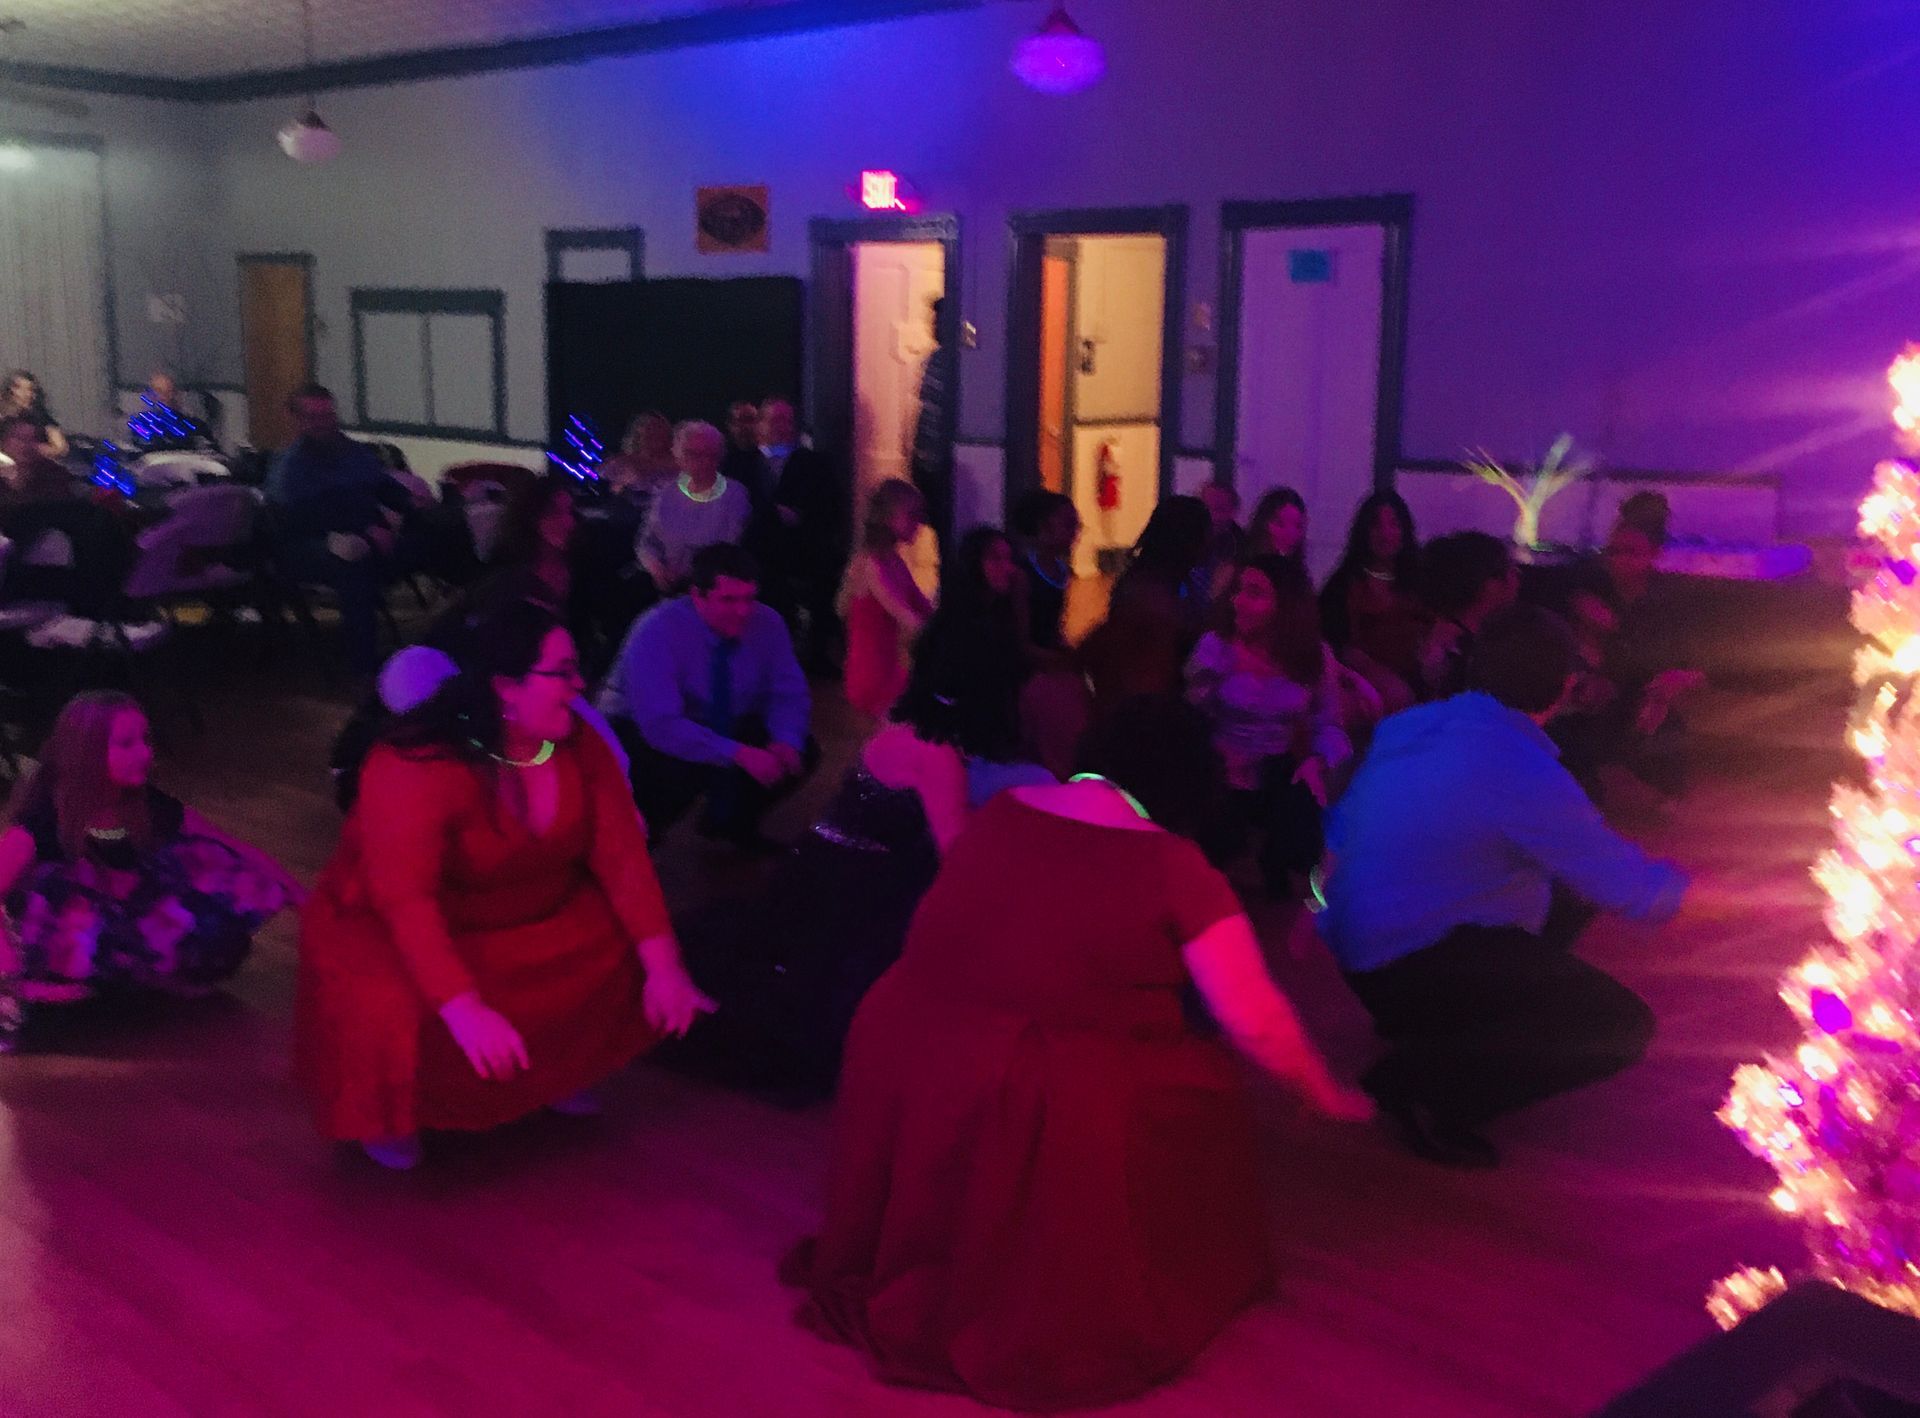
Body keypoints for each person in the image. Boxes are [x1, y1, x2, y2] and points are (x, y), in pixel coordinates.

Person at [781, 695, 1372, 1411]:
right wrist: (1319, 1088)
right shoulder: (1174, 865)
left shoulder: (1004, 811)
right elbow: (1255, 1020)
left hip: (904, 1045)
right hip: (1028, 1082)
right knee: (1194, 1082)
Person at [295, 599, 713, 1171]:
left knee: (620, 938)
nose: (578, 683)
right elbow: (406, 902)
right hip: (400, 923)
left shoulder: (574, 742)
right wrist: (463, 1008)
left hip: (528, 910)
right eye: (561, 671)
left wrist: (666, 968)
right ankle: (393, 1112)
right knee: (387, 1000)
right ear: (505, 688)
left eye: (576, 668)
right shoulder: (414, 763)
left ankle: (551, 1075)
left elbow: (623, 859)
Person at [1321, 605, 1687, 1169]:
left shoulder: (1415, 725)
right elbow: (1626, 887)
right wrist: (1705, 894)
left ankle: (1430, 1029)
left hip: (1356, 943)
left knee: (1560, 890)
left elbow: (1346, 829)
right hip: (1407, 957)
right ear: (1566, 686)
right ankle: (1419, 1087)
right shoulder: (1522, 770)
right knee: (1620, 1026)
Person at [667, 615, 995, 1104]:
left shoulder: (904, 717)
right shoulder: (936, 750)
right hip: (854, 887)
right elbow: (955, 855)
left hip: (826, 864)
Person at [0, 692, 300, 1043]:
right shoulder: (45, 820)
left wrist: (303, 899)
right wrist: (9, 972)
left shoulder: (148, 805)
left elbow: (233, 851)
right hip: (49, 949)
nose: (144, 753)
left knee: (214, 883)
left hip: (116, 923)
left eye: (145, 740)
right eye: (126, 744)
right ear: (88, 753)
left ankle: (139, 979)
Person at [598, 543, 813, 849]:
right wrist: (738, 753)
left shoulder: (768, 623)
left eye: (749, 598)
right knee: (676, 770)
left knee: (801, 749)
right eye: (728, 600)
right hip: (639, 726)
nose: (743, 611)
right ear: (697, 596)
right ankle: (637, 840)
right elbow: (660, 724)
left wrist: (786, 739)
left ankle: (730, 825)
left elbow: (788, 690)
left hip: (716, 718)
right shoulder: (658, 629)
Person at [1188, 556, 1349, 901]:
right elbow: (1187, 723)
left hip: (1278, 767)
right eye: (1238, 591)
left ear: (1285, 606)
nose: (1238, 601)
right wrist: (1216, 753)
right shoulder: (1216, 647)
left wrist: (1317, 761)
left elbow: (1331, 724)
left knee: (1301, 799)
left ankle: (1301, 907)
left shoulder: (1314, 655)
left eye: (1254, 593)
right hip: (1221, 767)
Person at [1550, 510, 1704, 801]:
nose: (1619, 560)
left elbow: (1686, 658)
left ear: (1653, 554)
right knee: (1566, 729)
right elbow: (1578, 650)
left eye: (1631, 552)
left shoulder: (1669, 599)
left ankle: (1661, 794)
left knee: (1661, 728)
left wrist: (1669, 684)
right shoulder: (1590, 592)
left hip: (1646, 691)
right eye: (1614, 551)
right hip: (1598, 694)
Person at [264, 384, 416, 676]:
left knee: (432, 539)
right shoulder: (291, 465)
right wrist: (369, 534)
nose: (324, 423)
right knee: (354, 562)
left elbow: (381, 485)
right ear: (296, 420)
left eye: (328, 415)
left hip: (366, 536)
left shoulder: (351, 451)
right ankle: (364, 664)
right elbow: (298, 516)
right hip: (309, 544)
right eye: (314, 417)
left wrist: (412, 503)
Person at [1079, 495, 1213, 705]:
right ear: (1188, 538)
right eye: (1205, 534)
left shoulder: (1172, 580)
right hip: (1149, 706)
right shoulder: (1147, 592)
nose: (1209, 542)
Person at [753, 399, 845, 671]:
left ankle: (815, 656)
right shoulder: (741, 461)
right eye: (774, 420)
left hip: (803, 548)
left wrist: (801, 517)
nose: (782, 427)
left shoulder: (816, 463)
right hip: (755, 549)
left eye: (787, 420)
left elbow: (831, 507)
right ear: (760, 425)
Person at [1319, 490, 1428, 713]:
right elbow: (1336, 645)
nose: (1386, 533)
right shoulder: (1343, 583)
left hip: (1422, 674)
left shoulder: (1421, 578)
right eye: (1376, 525)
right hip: (1365, 682)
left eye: (1393, 524)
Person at [839, 479, 934, 719]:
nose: (919, 523)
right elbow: (907, 617)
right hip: (873, 676)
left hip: (889, 670)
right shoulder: (871, 564)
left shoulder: (894, 560)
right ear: (887, 517)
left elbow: (923, 608)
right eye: (912, 515)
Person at [636, 420, 752, 595]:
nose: (703, 462)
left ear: (719, 456)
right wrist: (656, 569)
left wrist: (685, 574)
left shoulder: (734, 494)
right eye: (693, 454)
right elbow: (647, 542)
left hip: (712, 589)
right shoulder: (666, 492)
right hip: (663, 584)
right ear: (679, 455)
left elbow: (727, 547)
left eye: (710, 454)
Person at [1417, 530, 1519, 699]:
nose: (1516, 576)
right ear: (1486, 584)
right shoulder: (1453, 652)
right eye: (1509, 569)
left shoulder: (1479, 637)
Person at [1010, 488, 1079, 655]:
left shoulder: (1061, 570)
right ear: (1044, 527)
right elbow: (1020, 640)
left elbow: (1053, 628)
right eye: (1069, 524)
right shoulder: (1023, 574)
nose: (1076, 533)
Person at [909, 295, 955, 547]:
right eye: (933, 320)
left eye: (938, 320)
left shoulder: (962, 364)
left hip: (944, 466)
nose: (933, 326)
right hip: (924, 462)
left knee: (947, 527)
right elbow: (925, 408)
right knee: (934, 527)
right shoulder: (933, 359)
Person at [128, 370, 216, 454]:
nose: (165, 397)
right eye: (159, 391)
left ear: (176, 394)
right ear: (150, 395)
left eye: (170, 391)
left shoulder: (195, 425)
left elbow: (212, 453)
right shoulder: (140, 425)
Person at [0, 370, 68, 460]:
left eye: (31, 390)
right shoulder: (5, 419)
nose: (28, 394)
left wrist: (31, 449)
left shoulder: (41, 418)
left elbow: (60, 448)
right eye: (21, 389)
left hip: (38, 468)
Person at [1246, 486, 1308, 572]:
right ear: (1264, 523)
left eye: (1297, 526)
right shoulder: (1246, 568)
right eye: (1281, 524)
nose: (1290, 533)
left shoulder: (1295, 570)